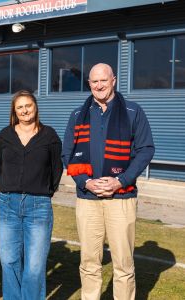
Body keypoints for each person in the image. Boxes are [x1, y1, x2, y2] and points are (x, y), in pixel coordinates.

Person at [62, 63, 155, 300]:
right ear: (89, 84)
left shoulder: (133, 111)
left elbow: (145, 150)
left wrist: (120, 180)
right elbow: (67, 155)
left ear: (113, 80)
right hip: (88, 199)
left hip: (121, 198)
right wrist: (86, 182)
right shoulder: (77, 115)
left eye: (104, 80)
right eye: (94, 82)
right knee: (89, 261)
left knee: (123, 264)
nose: (99, 85)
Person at [0, 90, 63, 299]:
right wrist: (9, 188)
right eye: (19, 107)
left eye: (28, 105)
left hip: (38, 205)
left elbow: (56, 169)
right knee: (9, 260)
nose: (24, 110)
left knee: (34, 265)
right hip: (8, 205)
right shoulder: (4, 136)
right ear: (14, 111)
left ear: (35, 107)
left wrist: (42, 191)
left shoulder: (49, 136)